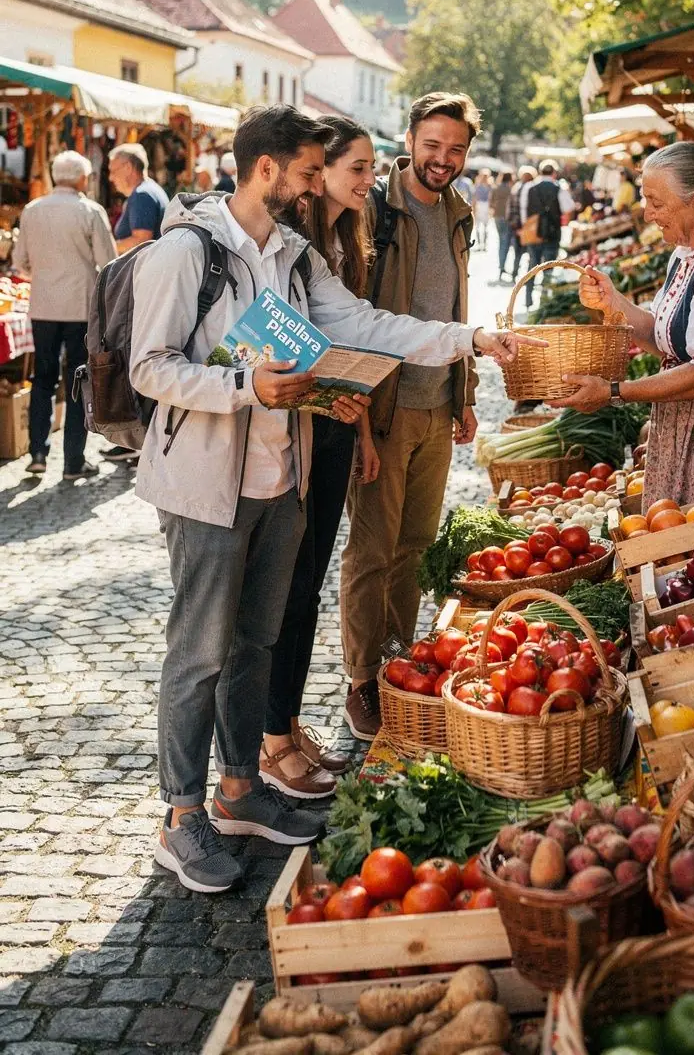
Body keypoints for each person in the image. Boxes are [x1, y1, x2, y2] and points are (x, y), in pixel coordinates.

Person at [129, 103, 524, 892]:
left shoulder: (296, 255)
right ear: (267, 168)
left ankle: (242, 791)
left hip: (282, 478)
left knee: (257, 643)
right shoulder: (187, 252)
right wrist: (248, 386)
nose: (318, 185)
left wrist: (467, 341)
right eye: (310, 171)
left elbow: (370, 324)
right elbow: (151, 368)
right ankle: (181, 819)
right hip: (207, 488)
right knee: (199, 654)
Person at [339, 93, 482, 741]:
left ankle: (400, 657)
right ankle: (362, 679)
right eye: (433, 145)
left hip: (437, 404)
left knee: (415, 546)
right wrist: (361, 424)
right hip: (386, 408)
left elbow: (458, 302)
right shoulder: (375, 209)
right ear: (412, 140)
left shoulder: (460, 213)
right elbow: (353, 318)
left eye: (455, 149)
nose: (443, 159)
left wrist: (467, 392)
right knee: (372, 549)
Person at [551, 142, 694, 506]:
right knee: (682, 532)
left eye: (656, 203)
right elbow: (665, 339)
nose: (646, 214)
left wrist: (614, 392)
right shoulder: (688, 251)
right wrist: (613, 301)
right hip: (690, 414)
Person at [260, 116, 379, 800]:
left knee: (307, 584)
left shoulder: (346, 239)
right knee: (292, 585)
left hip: (336, 426)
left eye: (369, 168)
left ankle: (289, 723)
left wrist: (360, 430)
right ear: (320, 173)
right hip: (300, 428)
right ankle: (272, 736)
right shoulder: (295, 244)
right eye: (355, 169)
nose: (368, 181)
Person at [14, 151, 117, 480]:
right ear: (82, 178)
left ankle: (38, 453)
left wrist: (44, 274)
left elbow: (21, 261)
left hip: (43, 307)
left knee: (42, 379)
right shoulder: (89, 210)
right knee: (78, 381)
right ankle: (73, 460)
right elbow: (108, 263)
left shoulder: (32, 210)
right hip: (79, 308)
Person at [109, 143, 169, 253]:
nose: (110, 178)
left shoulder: (142, 195)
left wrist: (107, 249)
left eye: (113, 171)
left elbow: (141, 241)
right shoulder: (150, 189)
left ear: (128, 167)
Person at [520, 162, 564, 309]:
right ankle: (544, 302)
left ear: (540, 172)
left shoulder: (530, 187)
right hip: (552, 233)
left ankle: (528, 299)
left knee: (532, 266)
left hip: (534, 233)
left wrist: (526, 228)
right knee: (549, 268)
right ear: (554, 173)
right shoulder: (559, 188)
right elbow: (568, 208)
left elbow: (523, 210)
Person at [508, 166, 537, 280]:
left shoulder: (516, 188)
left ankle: (515, 274)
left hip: (517, 225)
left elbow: (510, 209)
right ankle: (527, 277)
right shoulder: (532, 188)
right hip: (527, 226)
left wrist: (514, 226)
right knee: (530, 253)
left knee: (518, 252)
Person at [490, 171, 514, 279]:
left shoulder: (496, 188)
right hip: (506, 217)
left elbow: (491, 203)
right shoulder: (511, 190)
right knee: (505, 242)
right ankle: (502, 266)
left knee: (501, 241)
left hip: (497, 216)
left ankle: (501, 265)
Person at [472, 169, 492, 251]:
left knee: (485, 227)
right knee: (478, 227)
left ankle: (484, 244)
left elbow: (491, 198)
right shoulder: (478, 186)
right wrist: (473, 208)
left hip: (486, 206)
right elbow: (474, 198)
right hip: (479, 206)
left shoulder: (490, 186)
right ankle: (480, 244)